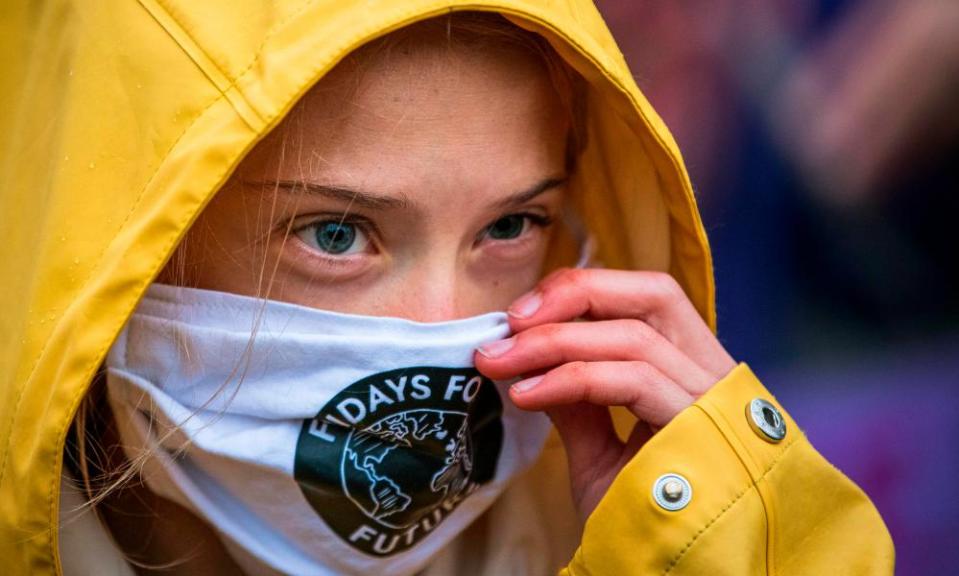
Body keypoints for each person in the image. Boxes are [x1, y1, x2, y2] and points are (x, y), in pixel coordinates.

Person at [0, 2, 892, 575]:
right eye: (336, 234)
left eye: (509, 227)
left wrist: (724, 543)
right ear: (121, 240)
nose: (448, 331)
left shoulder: (615, 528)